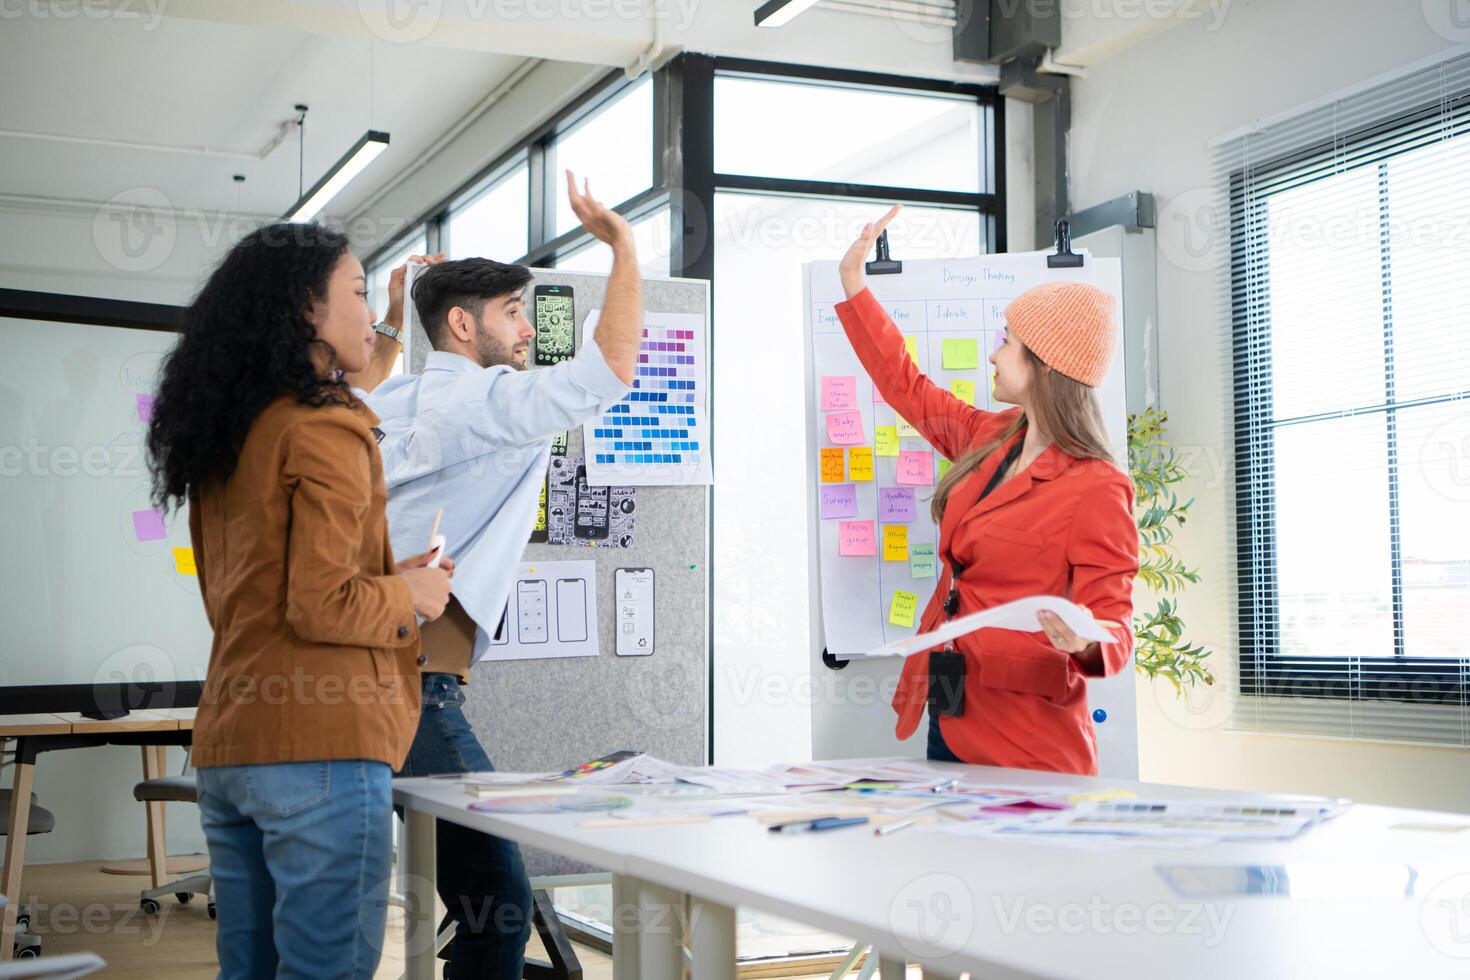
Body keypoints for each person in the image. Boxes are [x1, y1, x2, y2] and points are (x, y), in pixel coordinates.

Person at [146, 222, 455, 979]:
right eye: (356, 293)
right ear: (304, 311)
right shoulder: (326, 430)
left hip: (234, 745)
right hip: (322, 744)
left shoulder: (231, 436)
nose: (369, 313)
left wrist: (388, 577)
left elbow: (249, 600)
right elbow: (320, 606)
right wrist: (412, 592)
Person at [350, 171, 640, 978]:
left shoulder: (393, 400)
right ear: (460, 322)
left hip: (363, 669)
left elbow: (362, 389)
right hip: (411, 681)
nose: (524, 330)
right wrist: (623, 249)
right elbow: (607, 374)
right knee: (501, 906)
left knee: (428, 898)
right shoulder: (488, 403)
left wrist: (389, 318)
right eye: (512, 312)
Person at [834, 205, 1139, 777]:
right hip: (948, 708)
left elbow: (1116, 625)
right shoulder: (988, 436)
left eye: (1007, 342)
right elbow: (906, 385)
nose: (993, 353)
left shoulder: (1098, 488)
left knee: (1010, 870)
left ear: (1044, 367)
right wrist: (854, 284)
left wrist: (1084, 639)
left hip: (1027, 739)